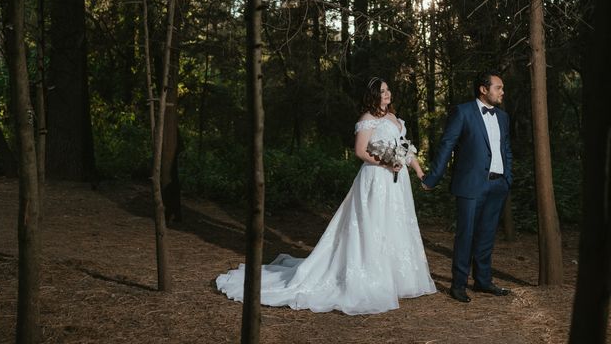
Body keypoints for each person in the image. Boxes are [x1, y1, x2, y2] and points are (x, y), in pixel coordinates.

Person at [216, 77, 436, 315]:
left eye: (388, 90)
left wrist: (420, 172)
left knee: (395, 224)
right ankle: (372, 276)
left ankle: (396, 278)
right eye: (382, 91)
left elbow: (405, 147)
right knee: (373, 225)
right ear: (372, 95)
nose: (387, 94)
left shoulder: (394, 118)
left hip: (397, 182)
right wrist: (386, 163)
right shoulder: (367, 120)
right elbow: (360, 151)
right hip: (376, 178)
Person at [422, 71, 512, 303]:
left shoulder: (503, 117)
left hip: (497, 185)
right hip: (470, 185)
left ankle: (482, 281)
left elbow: (506, 150)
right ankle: (458, 285)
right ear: (483, 89)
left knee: (486, 236)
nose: (502, 92)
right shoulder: (462, 112)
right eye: (498, 87)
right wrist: (433, 178)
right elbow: (447, 145)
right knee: (466, 236)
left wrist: (507, 178)